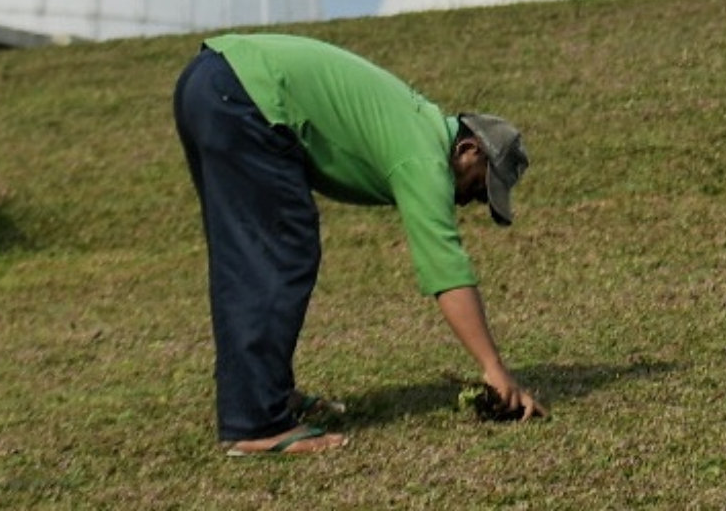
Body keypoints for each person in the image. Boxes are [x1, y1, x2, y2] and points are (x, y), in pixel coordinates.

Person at [172, 31, 543, 455]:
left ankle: (264, 395)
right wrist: (493, 368)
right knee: (278, 248)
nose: (469, 200)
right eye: (479, 186)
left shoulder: (415, 124)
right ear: (468, 149)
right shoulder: (424, 155)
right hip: (242, 92)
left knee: (256, 249)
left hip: (213, 82)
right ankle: (256, 422)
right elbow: (445, 265)